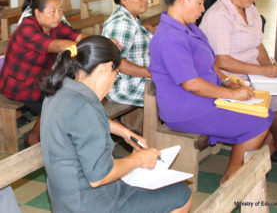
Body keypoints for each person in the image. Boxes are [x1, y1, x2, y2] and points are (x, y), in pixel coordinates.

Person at [40, 35, 192, 213]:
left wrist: (124, 132)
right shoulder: (85, 107)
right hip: (92, 204)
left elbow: (81, 123)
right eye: (116, 74)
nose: (114, 81)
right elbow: (99, 177)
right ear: (106, 68)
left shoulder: (61, 90)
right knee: (181, 195)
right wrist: (138, 159)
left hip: (66, 200)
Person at [149, 0, 273, 183]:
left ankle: (238, 173)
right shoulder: (170, 37)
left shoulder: (189, 28)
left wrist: (227, 81)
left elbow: (210, 61)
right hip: (186, 108)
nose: (202, 8)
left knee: (262, 111)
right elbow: (191, 84)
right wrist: (231, 95)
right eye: (199, 3)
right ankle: (231, 179)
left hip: (203, 98)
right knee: (260, 120)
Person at [199, 0, 277, 162]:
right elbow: (223, 61)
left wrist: (268, 66)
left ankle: (271, 141)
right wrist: (263, 72)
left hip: (253, 73)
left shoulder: (250, 9)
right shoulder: (218, 16)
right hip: (231, 78)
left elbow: (257, 43)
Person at [0, 0, 87, 146]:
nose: (58, 15)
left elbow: (77, 37)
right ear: (37, 13)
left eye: (60, 10)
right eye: (52, 11)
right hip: (20, 85)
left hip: (39, 79)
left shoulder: (55, 25)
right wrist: (89, 47)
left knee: (66, 92)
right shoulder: (27, 28)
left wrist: (100, 41)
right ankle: (33, 138)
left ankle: (55, 132)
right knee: (56, 101)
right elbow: (57, 46)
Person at [102, 0, 152, 107]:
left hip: (139, 79)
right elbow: (117, 62)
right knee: (177, 93)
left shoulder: (131, 18)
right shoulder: (122, 23)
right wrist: (152, 73)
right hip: (126, 86)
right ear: (124, 0)